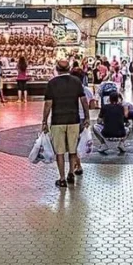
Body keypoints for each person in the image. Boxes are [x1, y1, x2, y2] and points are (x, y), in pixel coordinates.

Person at [42, 59, 91, 188]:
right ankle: (71, 173)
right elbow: (84, 101)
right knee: (73, 148)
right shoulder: (76, 82)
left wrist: (44, 121)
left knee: (60, 151)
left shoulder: (52, 83)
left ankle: (62, 178)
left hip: (57, 120)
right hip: (73, 120)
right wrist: (87, 117)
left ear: (57, 69)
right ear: (69, 68)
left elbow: (48, 104)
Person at [93, 91, 129, 155]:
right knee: (128, 128)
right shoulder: (121, 107)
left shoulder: (104, 107)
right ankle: (121, 143)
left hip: (107, 133)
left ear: (109, 99)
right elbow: (125, 119)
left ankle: (103, 144)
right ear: (118, 99)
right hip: (120, 134)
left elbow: (99, 121)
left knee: (95, 126)